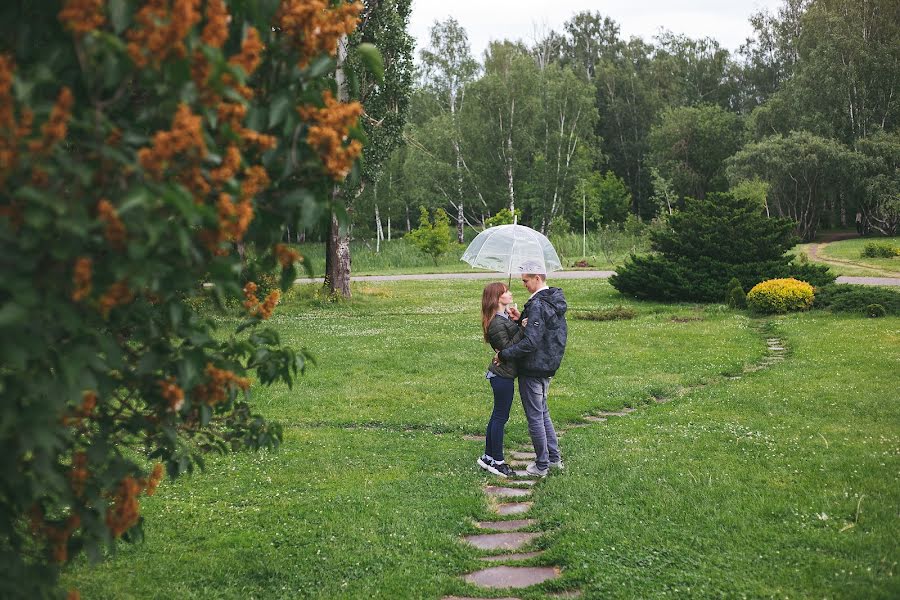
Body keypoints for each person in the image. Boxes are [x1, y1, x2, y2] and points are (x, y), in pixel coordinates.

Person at [495, 272, 567, 477]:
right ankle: (554, 459)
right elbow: (543, 331)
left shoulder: (537, 304)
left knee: (535, 416)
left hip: (534, 367)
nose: (523, 284)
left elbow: (531, 342)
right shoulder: (552, 300)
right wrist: (521, 321)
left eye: (525, 280)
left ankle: (541, 465)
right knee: (543, 412)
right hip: (548, 365)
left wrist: (504, 354)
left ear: (537, 278)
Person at [477, 282, 523, 478]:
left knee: (497, 416)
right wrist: (523, 329)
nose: (510, 293)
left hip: (502, 375)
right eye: (505, 292)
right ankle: (497, 462)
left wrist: (518, 321)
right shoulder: (496, 322)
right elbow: (507, 351)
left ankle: (487, 457)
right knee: (500, 417)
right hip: (502, 375)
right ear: (497, 298)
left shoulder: (503, 317)